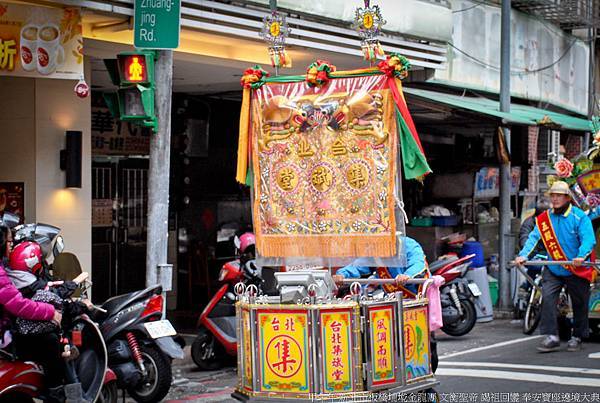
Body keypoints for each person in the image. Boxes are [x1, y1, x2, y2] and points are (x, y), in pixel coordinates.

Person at [515, 181, 596, 353]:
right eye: (553, 195)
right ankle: (551, 336)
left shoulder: (579, 217)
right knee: (547, 297)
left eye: (559, 195)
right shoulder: (545, 219)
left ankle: (577, 336)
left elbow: (588, 239)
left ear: (567, 198)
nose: (555, 199)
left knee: (580, 302)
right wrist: (523, 255)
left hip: (575, 267)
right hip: (554, 267)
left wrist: (581, 256)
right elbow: (533, 238)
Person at [0, 223, 64, 401]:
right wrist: (50, 311)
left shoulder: (5, 268)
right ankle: (55, 393)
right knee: (50, 341)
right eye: (9, 241)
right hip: (6, 335)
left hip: (6, 328)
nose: (11, 245)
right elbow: (19, 305)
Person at [332, 236, 429, 297]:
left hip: (417, 295)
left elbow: (418, 263)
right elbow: (359, 265)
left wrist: (407, 275)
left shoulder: (409, 244)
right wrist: (342, 274)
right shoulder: (376, 249)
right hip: (392, 297)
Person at [518, 199, 550, 292]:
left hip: (549, 255)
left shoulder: (553, 222)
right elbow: (524, 239)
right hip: (534, 255)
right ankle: (528, 287)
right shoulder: (529, 223)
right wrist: (527, 253)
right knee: (534, 267)